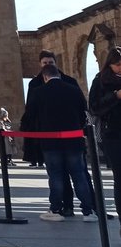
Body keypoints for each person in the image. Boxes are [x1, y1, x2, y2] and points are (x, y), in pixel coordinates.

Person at [30, 63, 96, 222]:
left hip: (50, 142)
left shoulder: (38, 92)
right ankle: (88, 211)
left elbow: (31, 116)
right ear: (58, 75)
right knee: (79, 174)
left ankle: (56, 209)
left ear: (45, 77)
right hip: (73, 140)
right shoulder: (73, 90)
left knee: (56, 176)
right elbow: (83, 112)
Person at [89, 46, 121, 236]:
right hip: (114, 135)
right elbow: (94, 107)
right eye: (118, 65)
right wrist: (115, 96)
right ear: (109, 64)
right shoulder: (101, 81)